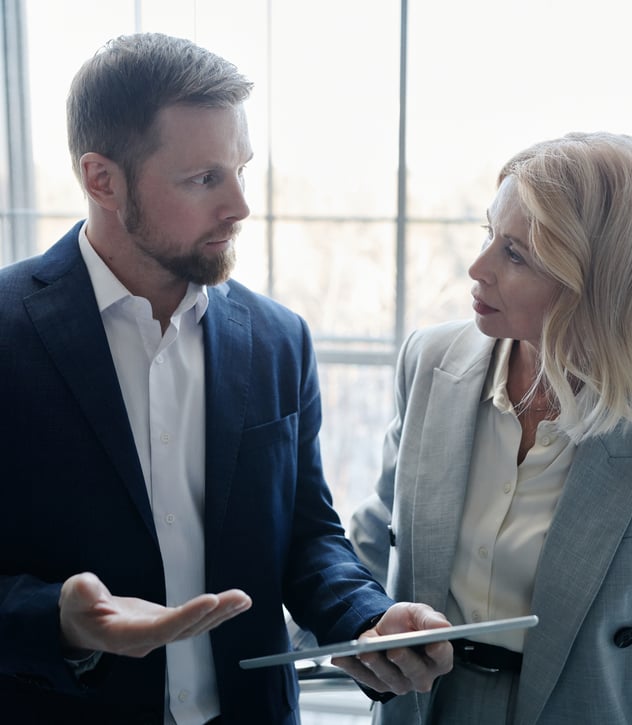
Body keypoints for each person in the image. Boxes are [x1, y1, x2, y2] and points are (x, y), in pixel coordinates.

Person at [0, 32, 453, 725]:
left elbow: (307, 536)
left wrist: (368, 618)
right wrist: (56, 617)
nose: (240, 206)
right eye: (203, 178)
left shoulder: (279, 338)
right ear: (102, 179)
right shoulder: (6, 330)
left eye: (240, 168)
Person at [350, 131, 632, 724]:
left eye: (516, 254)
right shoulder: (429, 361)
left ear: (600, 286)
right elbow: (376, 539)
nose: (477, 268)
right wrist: (351, 627)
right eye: (488, 236)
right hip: (421, 708)